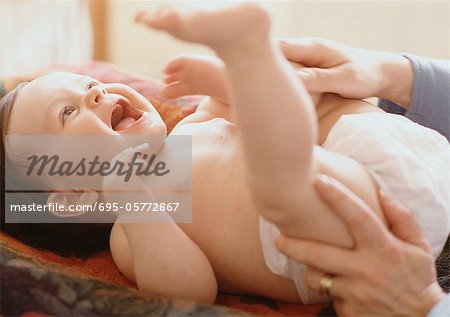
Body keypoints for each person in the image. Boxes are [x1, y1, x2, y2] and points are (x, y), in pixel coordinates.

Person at [0, 3, 448, 306]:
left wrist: (216, 86)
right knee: (280, 180)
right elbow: (190, 289)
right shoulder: (128, 233)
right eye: (67, 112)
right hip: (338, 234)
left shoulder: (189, 126)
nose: (95, 92)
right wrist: (134, 203)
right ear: (74, 194)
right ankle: (249, 53)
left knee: (317, 103)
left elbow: (246, 110)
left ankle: (251, 60)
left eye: (88, 84)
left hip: (387, 150)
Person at [275, 38, 450, 316]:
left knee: (281, 164)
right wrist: (399, 76)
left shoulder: (180, 186)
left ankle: (250, 60)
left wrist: (423, 304)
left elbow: (192, 284)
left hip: (376, 214)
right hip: (400, 173)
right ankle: (251, 60)